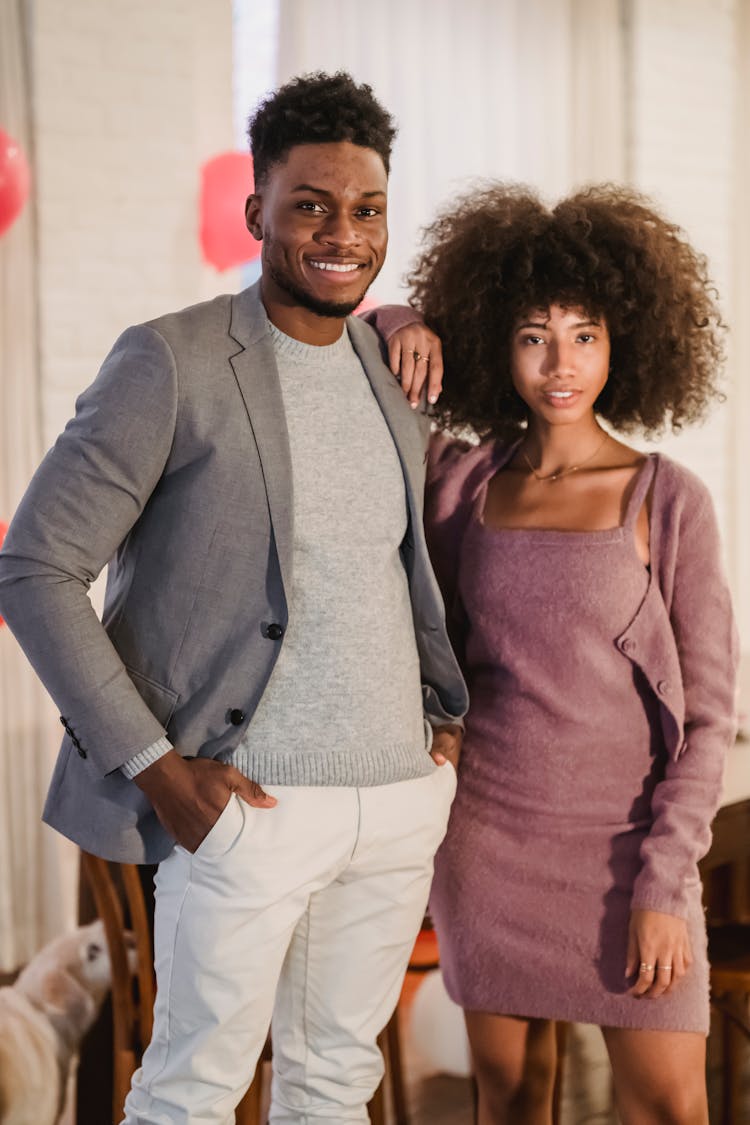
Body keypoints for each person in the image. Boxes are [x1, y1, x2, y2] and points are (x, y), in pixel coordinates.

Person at [0, 71, 467, 1124]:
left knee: (338, 1083)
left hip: (397, 801)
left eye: (367, 208)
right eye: (310, 203)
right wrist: (160, 773)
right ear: (257, 211)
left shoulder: (398, 367)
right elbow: (34, 566)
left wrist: (437, 737)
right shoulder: (170, 361)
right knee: (192, 1092)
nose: (342, 231)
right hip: (250, 805)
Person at [371, 183, 739, 1124]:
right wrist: (410, 315)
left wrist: (665, 880)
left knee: (668, 1107)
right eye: (535, 334)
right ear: (500, 340)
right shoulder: (465, 482)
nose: (560, 362)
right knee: (511, 1104)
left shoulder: (670, 499)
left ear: (625, 341)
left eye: (585, 334)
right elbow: (366, 335)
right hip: (489, 841)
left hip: (629, 851)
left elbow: (705, 721)